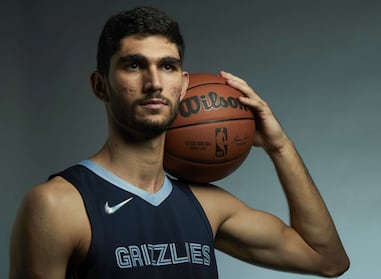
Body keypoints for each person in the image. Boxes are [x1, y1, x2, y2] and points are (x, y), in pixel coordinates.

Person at [9, 6, 349, 279]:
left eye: (168, 66)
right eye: (133, 65)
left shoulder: (207, 206)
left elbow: (328, 259)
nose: (154, 82)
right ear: (100, 86)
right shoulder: (57, 205)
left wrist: (280, 147)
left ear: (184, 85)